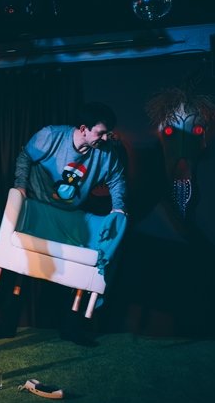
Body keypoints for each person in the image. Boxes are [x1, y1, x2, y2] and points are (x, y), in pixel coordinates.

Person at [8, 101, 127, 346]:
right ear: (83, 128)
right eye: (101, 132)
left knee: (75, 270)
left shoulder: (105, 153)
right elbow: (25, 156)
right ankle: (6, 324)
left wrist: (118, 208)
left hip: (70, 215)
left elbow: (116, 179)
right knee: (21, 268)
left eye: (107, 133)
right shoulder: (51, 136)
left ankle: (71, 329)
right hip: (39, 209)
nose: (105, 138)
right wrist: (20, 186)